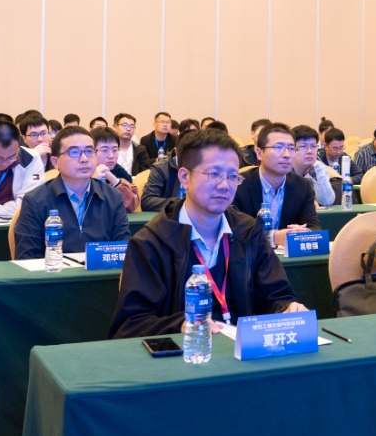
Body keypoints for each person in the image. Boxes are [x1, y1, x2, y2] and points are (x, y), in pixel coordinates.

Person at [108, 128, 306, 338]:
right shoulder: (151, 243)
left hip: (243, 350)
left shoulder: (248, 231)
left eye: (232, 176)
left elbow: (276, 296)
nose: (224, 185)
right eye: (214, 174)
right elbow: (130, 325)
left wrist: (288, 308)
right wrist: (180, 325)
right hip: (189, 351)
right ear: (184, 177)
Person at [14, 126, 130, 259]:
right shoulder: (35, 200)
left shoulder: (113, 197)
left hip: (102, 271)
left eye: (89, 151)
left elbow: (124, 251)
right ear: (55, 162)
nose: (84, 158)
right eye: (74, 152)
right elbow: (27, 258)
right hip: (54, 271)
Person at [233, 124, 321, 245]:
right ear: (259, 153)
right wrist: (273, 237)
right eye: (278, 147)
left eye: (291, 148)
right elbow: (233, 228)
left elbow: (314, 227)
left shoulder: (302, 186)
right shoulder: (239, 184)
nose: (287, 155)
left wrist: (303, 233)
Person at [90, 126, 140, 212]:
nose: (111, 156)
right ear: (91, 151)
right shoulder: (82, 171)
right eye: (105, 150)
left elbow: (131, 205)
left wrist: (115, 181)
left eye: (115, 150)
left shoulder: (118, 170)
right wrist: (92, 182)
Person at [140, 132, 188, 213]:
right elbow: (147, 201)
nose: (192, 159)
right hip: (170, 215)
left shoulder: (204, 169)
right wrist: (180, 202)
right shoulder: (161, 168)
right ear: (176, 151)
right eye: (186, 153)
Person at [289, 125, 335, 207]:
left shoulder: (318, 167)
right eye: (303, 146)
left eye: (313, 146)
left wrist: (316, 170)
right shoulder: (282, 170)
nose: (309, 151)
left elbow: (327, 201)